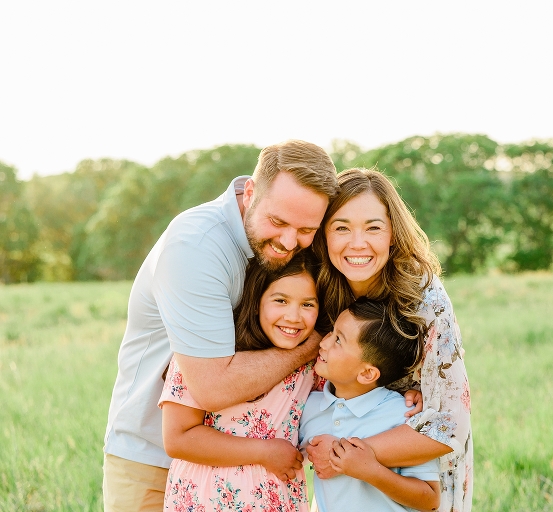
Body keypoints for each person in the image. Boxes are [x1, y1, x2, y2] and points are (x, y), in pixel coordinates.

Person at [102, 140, 338, 512]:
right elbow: (211, 386)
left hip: (253, 480)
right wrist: (312, 346)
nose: (290, 241)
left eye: (306, 228)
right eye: (278, 221)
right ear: (250, 193)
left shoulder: (281, 249)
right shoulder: (198, 246)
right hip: (153, 458)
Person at [310, 167, 473, 511]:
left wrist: (342, 453)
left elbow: (449, 424)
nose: (358, 243)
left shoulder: (423, 298)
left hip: (416, 473)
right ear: (323, 235)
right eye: (341, 228)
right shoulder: (318, 290)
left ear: (392, 235)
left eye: (373, 227)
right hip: (342, 486)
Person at [159, 251, 322, 512]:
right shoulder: (206, 351)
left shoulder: (314, 363)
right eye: (280, 300)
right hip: (205, 500)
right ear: (257, 300)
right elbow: (178, 439)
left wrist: (411, 392)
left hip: (278, 500)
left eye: (308, 304)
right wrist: (263, 452)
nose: (294, 316)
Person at [299, 297, 441, 512]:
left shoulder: (403, 414)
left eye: (338, 340)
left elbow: (429, 500)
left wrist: (370, 470)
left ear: (366, 373)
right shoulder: (309, 407)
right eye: (332, 331)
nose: (324, 342)